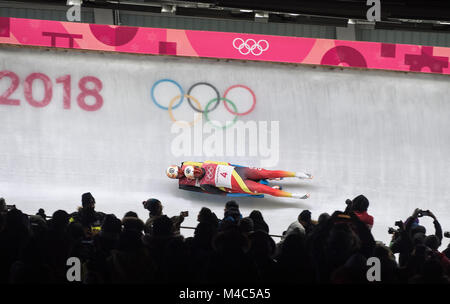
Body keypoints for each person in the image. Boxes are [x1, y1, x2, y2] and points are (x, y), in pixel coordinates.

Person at [166, 161, 312, 199]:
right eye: (196, 173)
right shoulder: (204, 184)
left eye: (196, 169)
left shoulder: (208, 164)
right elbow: (220, 194)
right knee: (266, 190)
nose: (198, 171)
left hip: (240, 171)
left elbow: (228, 164)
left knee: (267, 172)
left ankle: (296, 174)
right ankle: (294, 196)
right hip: (240, 184)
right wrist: (237, 193)